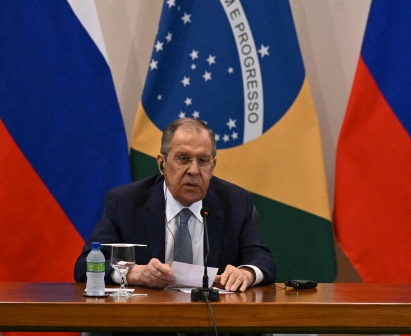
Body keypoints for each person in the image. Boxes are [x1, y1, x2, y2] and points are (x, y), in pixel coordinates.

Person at [74, 118, 275, 291]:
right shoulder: (126, 202)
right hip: (149, 326)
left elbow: (262, 260)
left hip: (214, 328)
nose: (194, 170)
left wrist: (247, 273)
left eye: (203, 160)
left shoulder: (236, 202)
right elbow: (85, 266)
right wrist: (135, 274)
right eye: (183, 158)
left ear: (213, 166)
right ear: (162, 163)